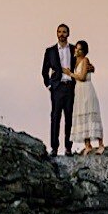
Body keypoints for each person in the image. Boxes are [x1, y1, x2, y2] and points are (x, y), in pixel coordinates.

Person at [41, 23, 75, 156]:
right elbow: (44, 71)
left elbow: (81, 64)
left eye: (64, 32)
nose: (62, 34)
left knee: (69, 118)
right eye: (59, 32)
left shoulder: (73, 49)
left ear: (68, 34)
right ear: (57, 33)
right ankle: (54, 148)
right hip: (57, 88)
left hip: (70, 87)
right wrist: (49, 85)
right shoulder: (50, 51)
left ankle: (68, 148)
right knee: (55, 117)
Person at [70, 39, 104, 154]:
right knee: (82, 115)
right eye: (77, 48)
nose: (77, 51)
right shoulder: (75, 61)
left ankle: (100, 144)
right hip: (79, 91)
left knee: (91, 113)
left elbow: (83, 77)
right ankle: (87, 144)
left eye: (80, 49)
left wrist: (70, 74)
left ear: (84, 51)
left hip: (86, 89)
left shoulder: (85, 60)